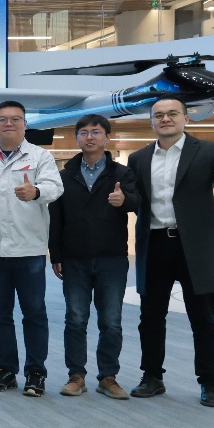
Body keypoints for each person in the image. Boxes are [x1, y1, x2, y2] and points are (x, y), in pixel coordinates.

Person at [128, 98, 214, 407]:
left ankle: (209, 382)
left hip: (196, 247)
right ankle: (152, 377)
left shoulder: (209, 151)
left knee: (203, 319)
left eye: (172, 114)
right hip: (154, 245)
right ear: (152, 121)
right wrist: (122, 201)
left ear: (186, 119)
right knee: (151, 318)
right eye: (159, 115)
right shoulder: (138, 158)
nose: (165, 119)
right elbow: (134, 198)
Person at [0, 100, 64, 397]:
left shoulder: (40, 157)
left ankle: (36, 373)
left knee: (34, 313)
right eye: (2, 119)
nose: (9, 124)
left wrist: (36, 191)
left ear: (25, 124)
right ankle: (5, 370)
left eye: (15, 119)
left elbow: (55, 189)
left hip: (28, 248)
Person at [48, 115, 139, 400]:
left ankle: (108, 377)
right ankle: (76, 376)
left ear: (107, 137)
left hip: (112, 258)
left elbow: (139, 202)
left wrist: (125, 201)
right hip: (74, 258)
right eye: (84, 132)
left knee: (111, 321)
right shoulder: (64, 176)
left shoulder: (122, 173)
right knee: (75, 319)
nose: (90, 137)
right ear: (77, 138)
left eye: (96, 132)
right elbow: (56, 218)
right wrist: (56, 254)